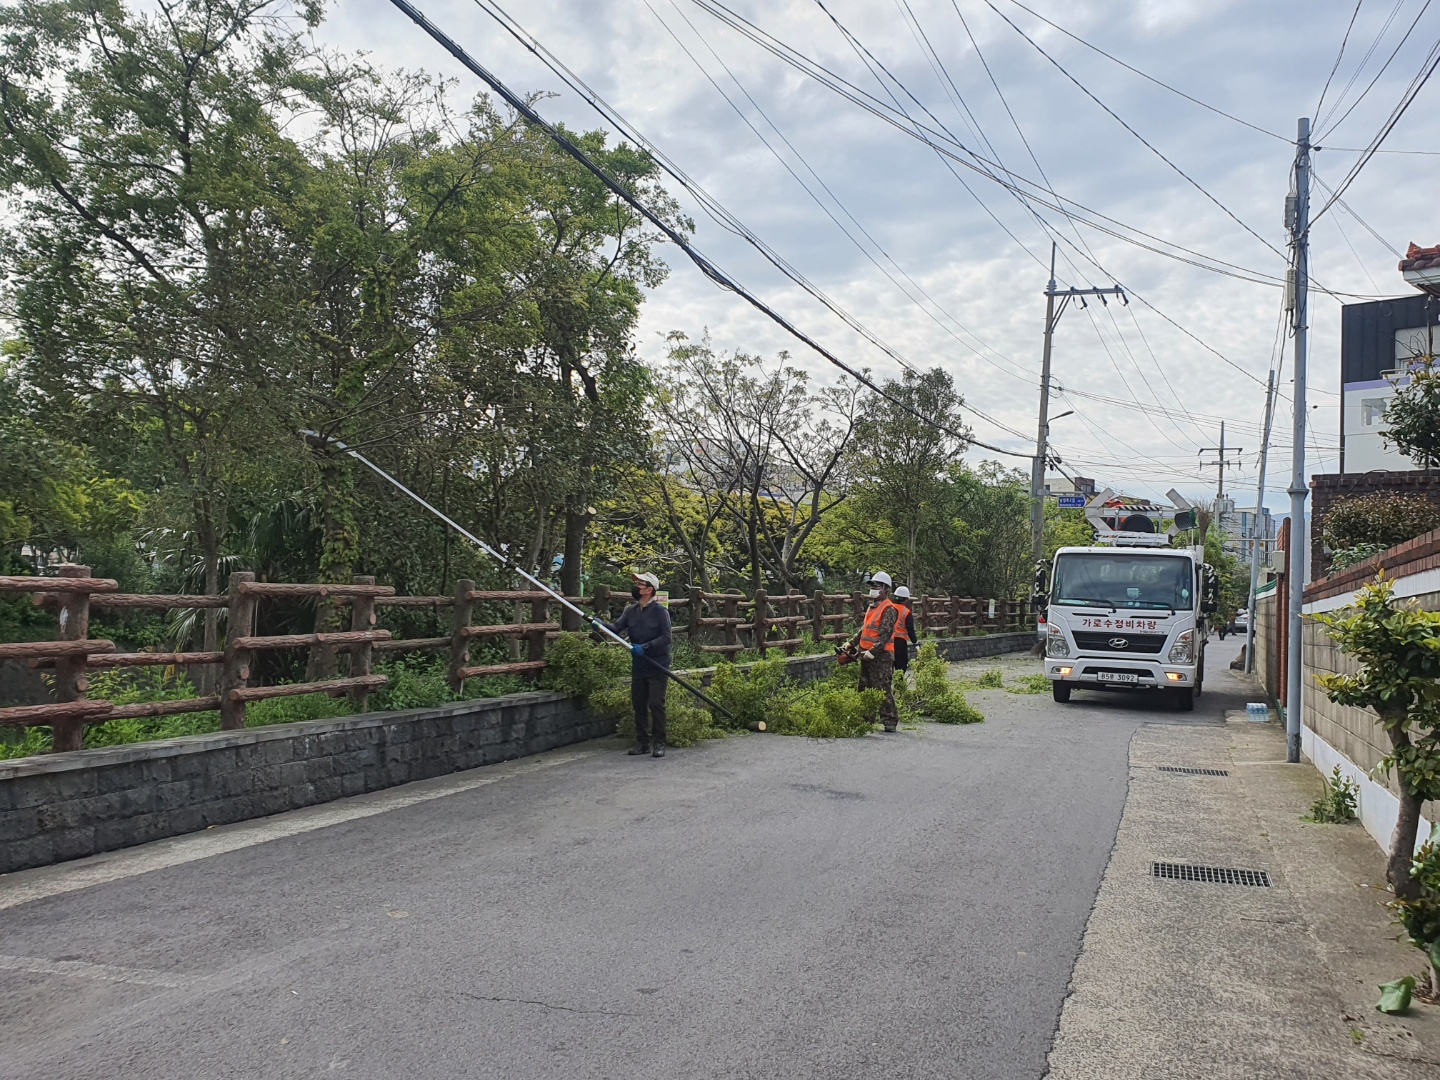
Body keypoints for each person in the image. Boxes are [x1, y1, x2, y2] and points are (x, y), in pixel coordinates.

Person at [594, 572, 672, 758]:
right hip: (639, 665)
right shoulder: (631, 611)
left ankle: (659, 743)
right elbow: (616, 628)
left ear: (649, 589)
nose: (636, 587)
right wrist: (600, 625)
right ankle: (642, 743)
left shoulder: (661, 612)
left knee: (656, 704)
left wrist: (646, 647)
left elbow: (666, 637)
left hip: (657, 664)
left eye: (640, 584)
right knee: (639, 704)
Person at [843, 571, 901, 732]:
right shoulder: (872, 607)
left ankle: (890, 720)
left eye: (877, 585)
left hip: (881, 656)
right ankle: (865, 717)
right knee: (864, 686)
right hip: (866, 654)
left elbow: (885, 634)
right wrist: (852, 643)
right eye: (872, 585)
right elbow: (865, 629)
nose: (873, 588)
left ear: (885, 589)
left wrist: (873, 651)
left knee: (882, 687)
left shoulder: (889, 609)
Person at [892, 585, 918, 676]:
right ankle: (899, 688)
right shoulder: (906, 612)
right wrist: (915, 643)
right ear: (906, 599)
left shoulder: (888, 608)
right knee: (901, 666)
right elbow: (910, 629)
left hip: (887, 640)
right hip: (900, 642)